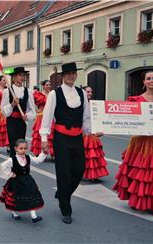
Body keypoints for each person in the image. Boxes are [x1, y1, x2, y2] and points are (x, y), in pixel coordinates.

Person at [40, 62, 92, 224]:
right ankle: (65, 208)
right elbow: (47, 117)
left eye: (73, 73)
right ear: (63, 76)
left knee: (79, 169)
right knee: (63, 172)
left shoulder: (81, 93)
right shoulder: (55, 94)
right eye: (68, 73)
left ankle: (63, 193)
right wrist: (44, 138)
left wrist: (91, 132)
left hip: (77, 137)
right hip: (61, 138)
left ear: (76, 75)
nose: (71, 76)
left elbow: (86, 116)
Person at [113, 70, 153, 213]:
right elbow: (124, 118)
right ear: (144, 82)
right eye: (148, 78)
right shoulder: (136, 100)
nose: (151, 81)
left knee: (152, 172)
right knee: (140, 171)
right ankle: (137, 199)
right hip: (140, 141)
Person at [0, 139, 46, 223]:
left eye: (25, 148)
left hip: (28, 181)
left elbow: (38, 160)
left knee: (31, 195)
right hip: (16, 182)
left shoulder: (28, 157)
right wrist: (10, 174)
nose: (23, 150)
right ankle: (14, 212)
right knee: (15, 198)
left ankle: (34, 216)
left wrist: (44, 153)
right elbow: (3, 166)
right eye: (21, 148)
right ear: (16, 149)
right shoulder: (12, 160)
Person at [1, 67, 36, 157]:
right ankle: (14, 165)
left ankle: (20, 164)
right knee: (14, 145)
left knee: (21, 145)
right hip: (11, 121)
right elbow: (4, 111)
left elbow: (32, 110)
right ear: (14, 77)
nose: (22, 77)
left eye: (23, 75)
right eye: (19, 75)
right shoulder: (7, 91)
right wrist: (12, 104)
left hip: (22, 122)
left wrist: (27, 116)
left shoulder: (28, 91)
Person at [82, 86, 109, 181]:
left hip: (93, 132)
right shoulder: (80, 104)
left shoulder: (94, 105)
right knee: (84, 154)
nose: (90, 93)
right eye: (88, 92)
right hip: (83, 133)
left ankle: (94, 174)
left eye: (91, 92)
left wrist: (101, 129)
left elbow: (100, 118)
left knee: (94, 154)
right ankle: (82, 173)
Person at [30, 80, 54, 159]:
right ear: (43, 86)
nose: (48, 86)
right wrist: (35, 110)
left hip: (50, 116)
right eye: (46, 85)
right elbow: (31, 103)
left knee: (51, 135)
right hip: (41, 116)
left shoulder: (52, 94)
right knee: (39, 135)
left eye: (49, 85)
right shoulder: (39, 94)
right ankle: (38, 152)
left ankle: (52, 153)